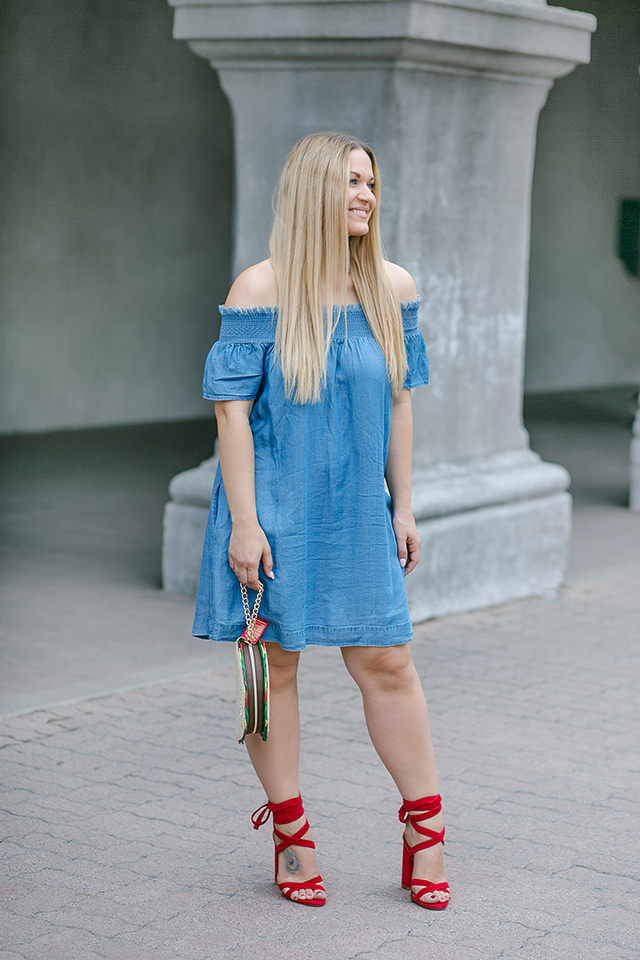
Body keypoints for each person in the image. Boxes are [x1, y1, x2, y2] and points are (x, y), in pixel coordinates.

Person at [193, 132, 449, 910]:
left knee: (389, 663)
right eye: (349, 183)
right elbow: (231, 417)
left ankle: (424, 831)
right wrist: (245, 523)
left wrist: (401, 505)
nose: (366, 195)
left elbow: (401, 402)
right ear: (312, 194)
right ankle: (292, 835)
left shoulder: (390, 287)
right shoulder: (261, 289)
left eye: (370, 182)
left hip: (356, 513)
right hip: (272, 510)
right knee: (275, 669)